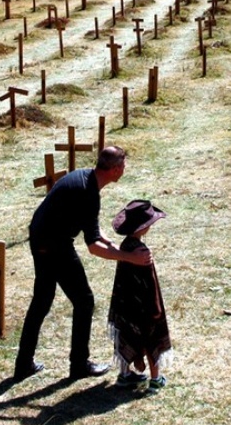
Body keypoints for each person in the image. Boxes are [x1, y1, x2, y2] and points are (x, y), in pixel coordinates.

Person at [14, 145, 152, 382]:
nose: (125, 169)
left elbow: (94, 232)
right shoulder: (88, 192)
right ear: (116, 169)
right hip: (53, 245)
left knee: (42, 301)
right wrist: (130, 258)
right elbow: (93, 247)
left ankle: (23, 364)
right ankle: (78, 365)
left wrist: (116, 247)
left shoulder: (86, 178)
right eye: (124, 165)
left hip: (40, 237)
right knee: (84, 301)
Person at [108, 199, 173, 393]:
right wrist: (156, 308)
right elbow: (150, 283)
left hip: (126, 305)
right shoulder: (143, 253)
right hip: (145, 307)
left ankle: (125, 374)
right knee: (151, 338)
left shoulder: (125, 247)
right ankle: (155, 379)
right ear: (144, 228)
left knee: (126, 335)